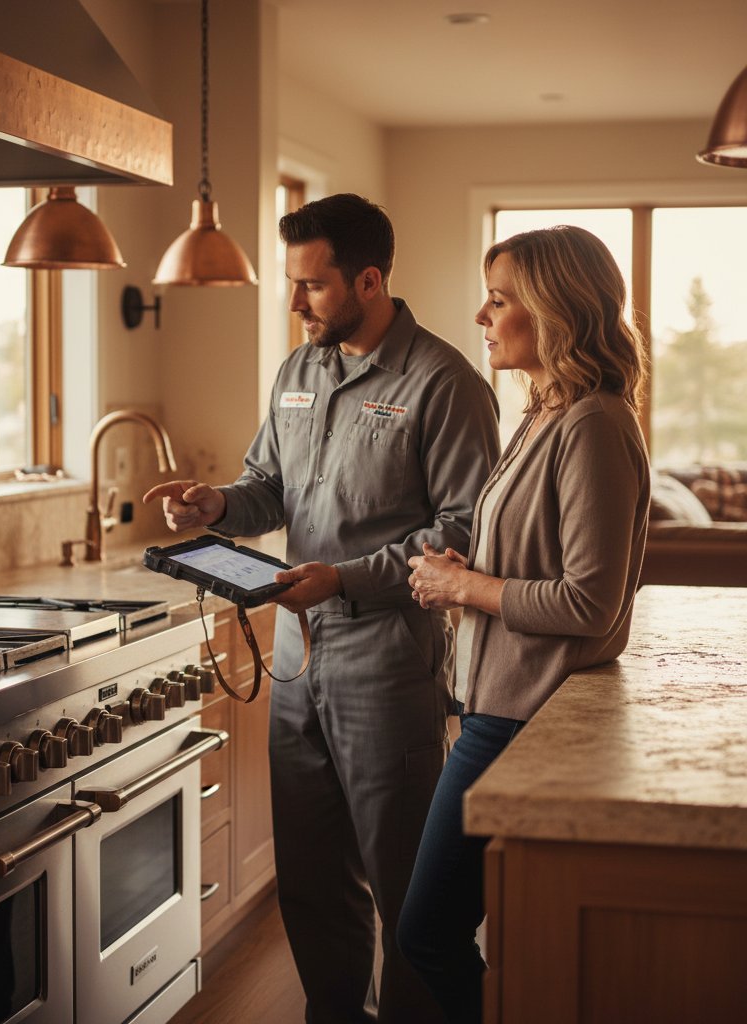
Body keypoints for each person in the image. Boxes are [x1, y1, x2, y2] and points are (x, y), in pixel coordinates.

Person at [144, 193, 501, 1023]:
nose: (296, 304)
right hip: (297, 662)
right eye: (292, 285)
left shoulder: (446, 383)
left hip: (389, 665)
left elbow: (463, 529)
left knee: (407, 892)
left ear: (369, 281)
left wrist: (345, 579)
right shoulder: (298, 371)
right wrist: (214, 506)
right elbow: (266, 488)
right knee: (308, 880)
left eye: (312, 286)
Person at [396, 225, 650, 1024]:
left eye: (500, 299)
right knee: (450, 930)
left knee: (427, 933)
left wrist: (467, 586)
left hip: (519, 720)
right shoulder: (547, 412)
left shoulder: (594, 424)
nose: (481, 313)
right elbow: (536, 554)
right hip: (496, 707)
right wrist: (459, 565)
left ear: (554, 310)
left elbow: (588, 601)